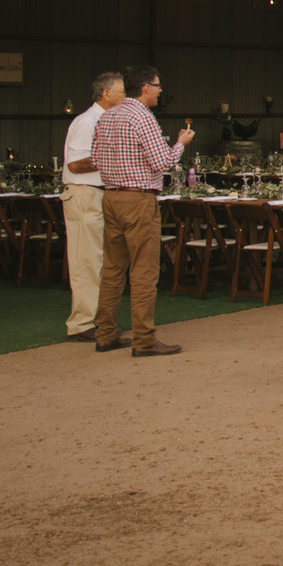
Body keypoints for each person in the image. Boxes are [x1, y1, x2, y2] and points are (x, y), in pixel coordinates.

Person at [90, 64, 194, 357]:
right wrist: (181, 144)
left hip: (111, 196)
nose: (161, 92)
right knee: (144, 271)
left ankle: (106, 333)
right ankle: (144, 339)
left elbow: (96, 159)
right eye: (158, 86)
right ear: (146, 88)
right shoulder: (142, 117)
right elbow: (162, 162)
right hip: (138, 198)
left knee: (112, 269)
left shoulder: (107, 116)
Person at [58, 70, 124, 341]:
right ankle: (82, 323)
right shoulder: (86, 121)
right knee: (86, 260)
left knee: (98, 259)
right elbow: (76, 163)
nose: (125, 97)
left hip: (99, 194)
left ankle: (98, 320)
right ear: (106, 94)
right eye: (121, 91)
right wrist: (111, 157)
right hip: (84, 193)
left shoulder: (106, 120)